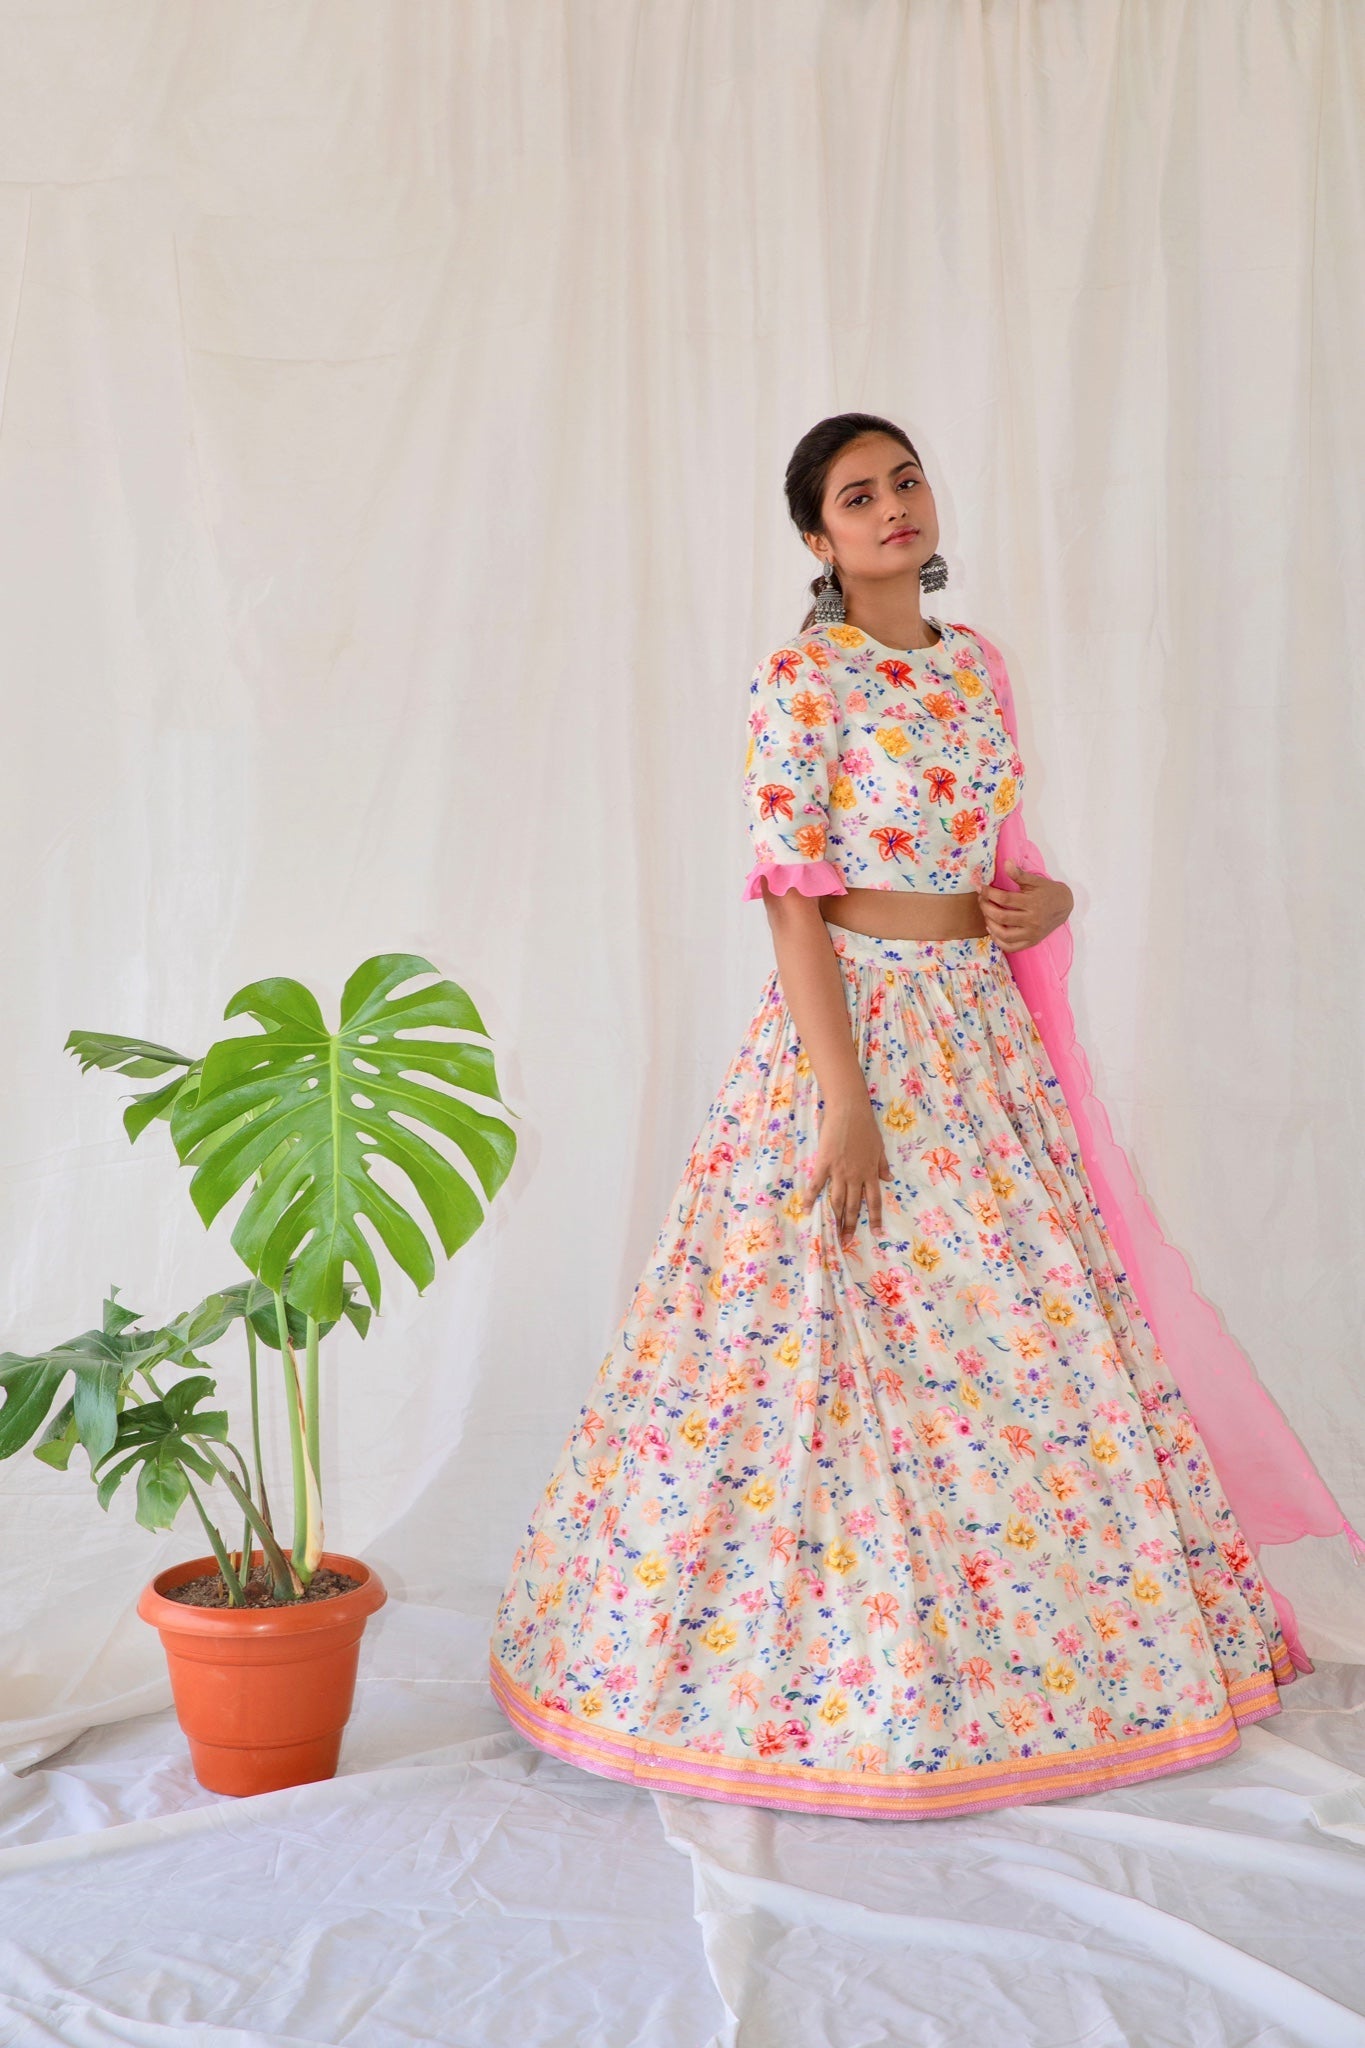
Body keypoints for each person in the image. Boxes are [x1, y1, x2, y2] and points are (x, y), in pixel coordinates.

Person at [488, 412, 1359, 1820]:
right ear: (816, 539)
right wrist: (842, 1101)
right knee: (820, 1349)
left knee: (1021, 1342)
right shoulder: (800, 680)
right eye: (855, 495)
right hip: (857, 1032)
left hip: (979, 1036)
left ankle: (1068, 1670)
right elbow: (794, 901)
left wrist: (1051, 901)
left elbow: (1001, 858)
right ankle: (826, 1674)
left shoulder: (977, 670)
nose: (891, 507)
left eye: (903, 481)